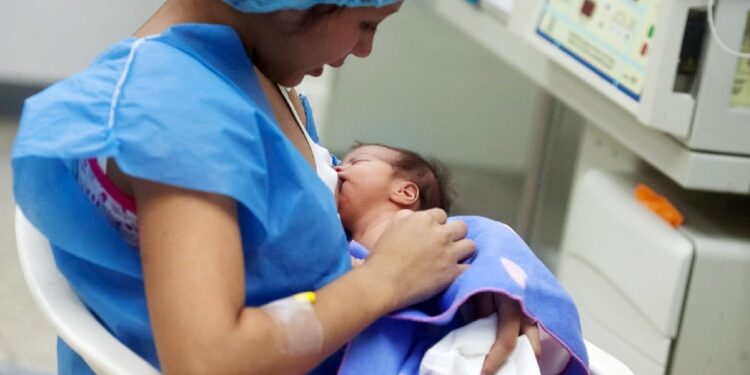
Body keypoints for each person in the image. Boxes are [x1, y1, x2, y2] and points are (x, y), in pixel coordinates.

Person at [12, 1, 532, 374]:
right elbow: (207, 360)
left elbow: (298, 229)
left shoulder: (245, 66)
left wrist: (477, 283)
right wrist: (384, 281)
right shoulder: (182, 114)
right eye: (366, 22)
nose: (366, 49)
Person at [334, 143, 589, 375]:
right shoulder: (339, 243)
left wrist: (494, 282)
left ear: (405, 192)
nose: (338, 168)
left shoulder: (433, 231)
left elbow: (491, 242)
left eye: (357, 162)